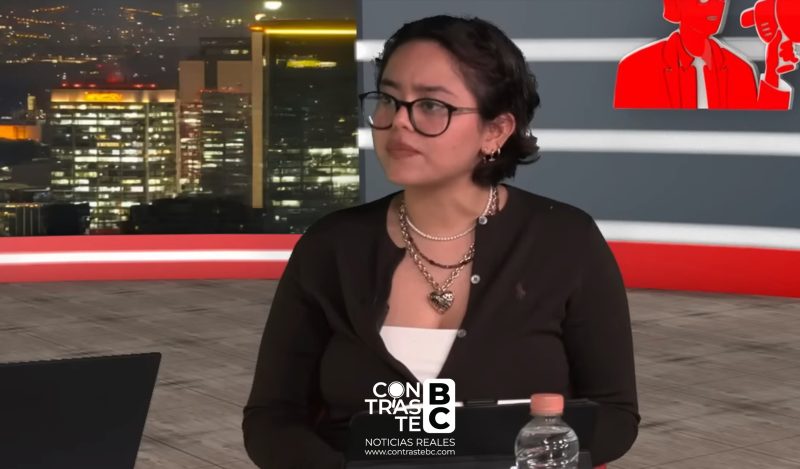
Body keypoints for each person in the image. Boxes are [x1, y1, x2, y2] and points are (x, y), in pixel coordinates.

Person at [243, 15, 639, 469]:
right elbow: (271, 419)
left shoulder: (566, 240)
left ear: (495, 130)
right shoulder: (330, 246)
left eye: (431, 105)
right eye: (388, 99)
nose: (398, 122)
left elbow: (615, 415)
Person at [614, 0, 794, 110]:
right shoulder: (636, 68)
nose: (716, 6)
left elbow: (755, 134)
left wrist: (772, 75)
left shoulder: (740, 70)